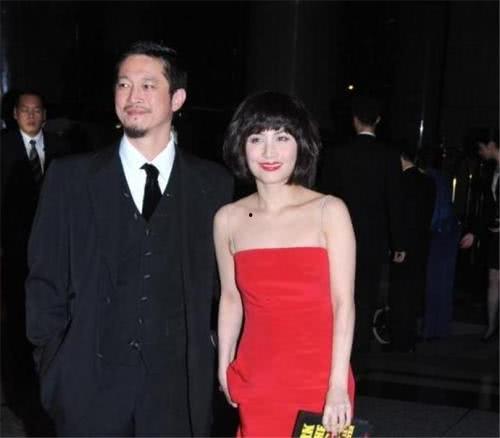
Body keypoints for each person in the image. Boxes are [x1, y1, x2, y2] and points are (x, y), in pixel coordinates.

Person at [25, 41, 233, 436]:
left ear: (178, 99)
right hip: (86, 389)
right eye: (124, 85)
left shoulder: (213, 184)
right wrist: (53, 366)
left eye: (148, 85)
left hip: (178, 396)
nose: (133, 96)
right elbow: (44, 280)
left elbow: (226, 290)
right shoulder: (70, 179)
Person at [215, 91, 356, 436]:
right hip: (256, 378)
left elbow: (344, 303)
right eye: (256, 138)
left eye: (282, 137)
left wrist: (338, 384)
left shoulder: (329, 211)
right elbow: (231, 298)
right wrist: (224, 364)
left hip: (320, 381)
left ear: (301, 145)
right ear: (241, 146)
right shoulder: (228, 219)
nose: (269, 152)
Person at [318, 96, 406, 374]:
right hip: (373, 237)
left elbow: (324, 197)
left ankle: (334, 345)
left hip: (337, 233)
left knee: (337, 290)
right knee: (365, 293)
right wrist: (399, 242)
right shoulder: (389, 156)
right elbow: (395, 201)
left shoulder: (337, 154)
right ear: (378, 120)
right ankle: (360, 349)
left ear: (354, 120)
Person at [1, 90, 67, 433]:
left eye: (36, 110)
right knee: (16, 322)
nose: (30, 115)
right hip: (14, 254)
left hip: (54, 254)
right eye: (24, 110)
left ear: (44, 115)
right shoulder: (3, 150)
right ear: (14, 114)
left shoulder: (62, 150)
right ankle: (20, 391)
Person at [387, 142, 436, 352]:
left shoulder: (401, 181)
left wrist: (398, 245)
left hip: (404, 244)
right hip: (422, 243)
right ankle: (410, 338)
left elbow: (400, 217)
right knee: (414, 290)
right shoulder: (428, 182)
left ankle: (399, 340)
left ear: (400, 158)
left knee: (399, 293)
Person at [460, 131, 499, 341]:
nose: (480, 153)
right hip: (495, 233)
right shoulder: (492, 169)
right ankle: (491, 326)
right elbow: (488, 208)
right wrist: (475, 232)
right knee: (493, 279)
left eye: (481, 148)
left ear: (491, 145)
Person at [420, 148, 460, 339]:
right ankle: (441, 327)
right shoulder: (442, 178)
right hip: (448, 231)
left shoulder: (428, 179)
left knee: (433, 282)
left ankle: (431, 328)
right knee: (444, 282)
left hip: (437, 233)